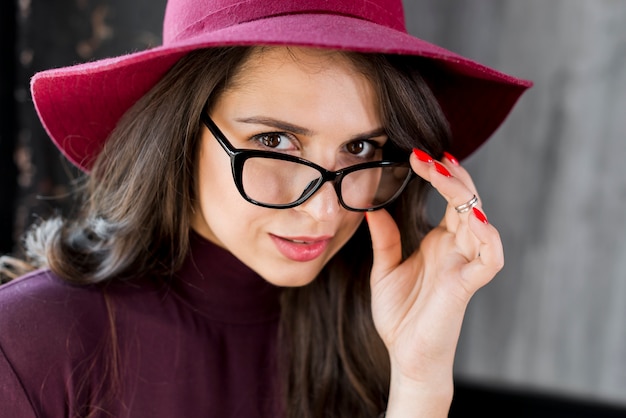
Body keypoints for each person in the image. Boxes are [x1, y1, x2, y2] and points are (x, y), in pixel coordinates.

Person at [0, 0, 531, 417]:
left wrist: (419, 383)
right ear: (180, 133)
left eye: (361, 148)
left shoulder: (369, 338)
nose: (325, 210)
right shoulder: (27, 347)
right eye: (276, 143)